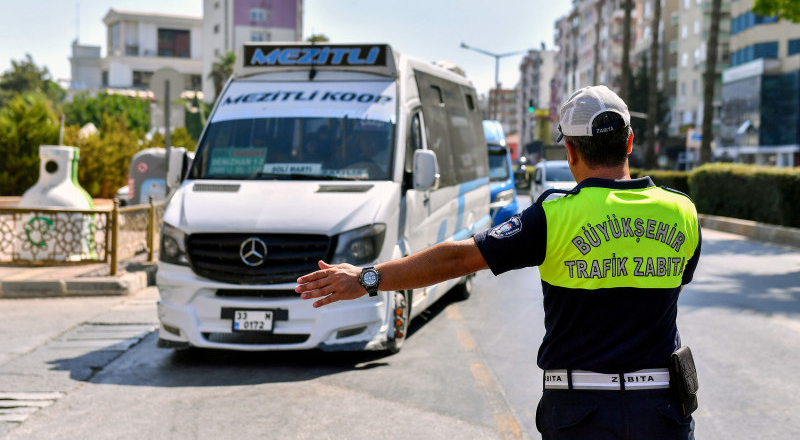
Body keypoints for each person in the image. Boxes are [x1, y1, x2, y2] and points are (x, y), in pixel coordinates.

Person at [295, 85, 702, 439]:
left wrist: (367, 276)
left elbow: (460, 257)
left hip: (582, 415)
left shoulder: (554, 215)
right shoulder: (682, 211)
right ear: (629, 142)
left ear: (571, 150)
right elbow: (671, 284)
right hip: (662, 413)